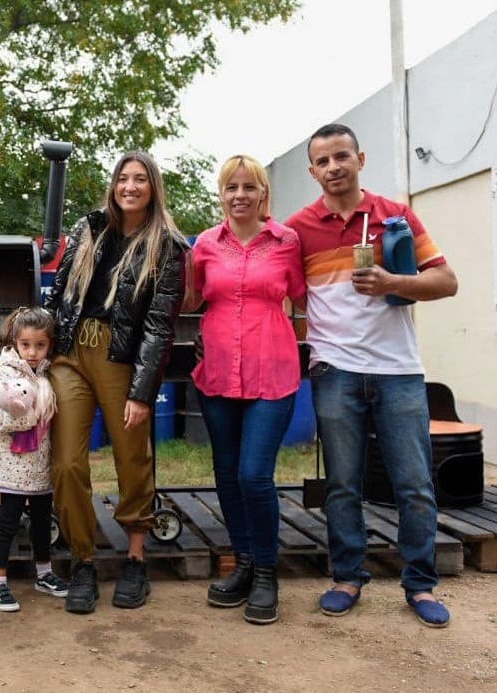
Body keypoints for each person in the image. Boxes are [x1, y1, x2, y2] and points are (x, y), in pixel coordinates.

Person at [287, 123, 458, 627]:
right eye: (323, 161)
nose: (334, 167)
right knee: (342, 484)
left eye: (343, 156)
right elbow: (288, 291)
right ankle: (346, 576)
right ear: (312, 170)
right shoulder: (299, 228)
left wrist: (393, 281)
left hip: (399, 370)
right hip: (335, 370)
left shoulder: (395, 216)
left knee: (414, 483)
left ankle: (421, 584)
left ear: (360, 158)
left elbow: (446, 281)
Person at [44, 150, 188, 614]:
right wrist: (39, 353)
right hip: (71, 354)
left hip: (120, 356)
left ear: (153, 187)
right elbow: (60, 293)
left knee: (132, 457)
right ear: (113, 184)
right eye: (123, 178)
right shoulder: (89, 228)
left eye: (140, 179)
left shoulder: (165, 244)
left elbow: (160, 323)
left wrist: (143, 392)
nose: (130, 186)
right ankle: (83, 560)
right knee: (66, 462)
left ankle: (135, 558)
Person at [184, 155, 306, 625]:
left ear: (263, 194)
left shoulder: (287, 241)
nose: (239, 195)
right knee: (228, 473)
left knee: (255, 474)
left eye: (248, 187)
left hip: (271, 372)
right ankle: (245, 564)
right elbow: (192, 300)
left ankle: (268, 572)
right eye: (231, 187)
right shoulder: (205, 246)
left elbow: (303, 298)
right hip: (216, 373)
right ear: (222, 194)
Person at [0, 306, 69, 612]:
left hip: (40, 465)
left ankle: (44, 573)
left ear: (49, 345)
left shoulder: (48, 373)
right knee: (8, 522)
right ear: (15, 342)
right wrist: (26, 418)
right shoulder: (3, 373)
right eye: (26, 345)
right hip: (12, 466)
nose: (32, 352)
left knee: (43, 520)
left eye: (40, 345)